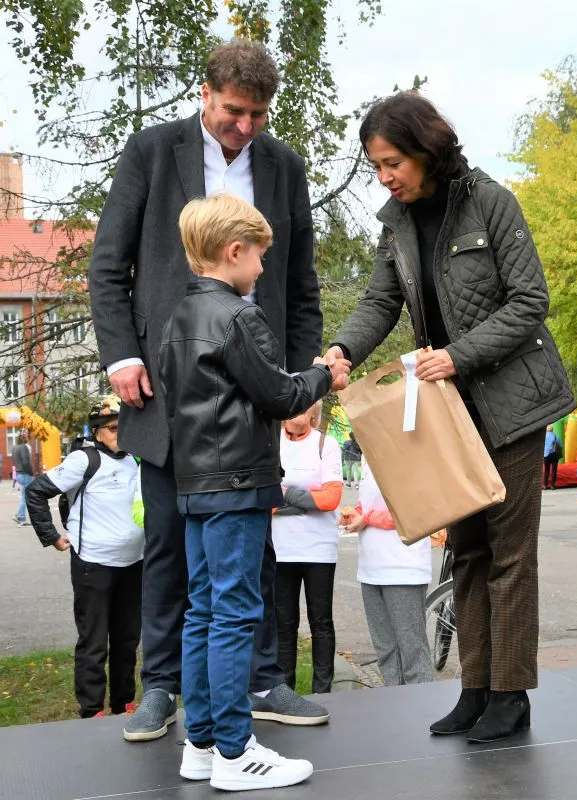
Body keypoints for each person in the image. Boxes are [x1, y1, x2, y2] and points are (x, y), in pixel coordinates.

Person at [88, 39, 333, 742]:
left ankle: (261, 681)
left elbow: (301, 288)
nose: (244, 127)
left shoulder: (283, 166)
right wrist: (120, 356)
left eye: (258, 114)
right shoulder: (151, 151)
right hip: (166, 389)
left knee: (252, 544)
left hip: (253, 392)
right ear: (205, 94)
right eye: (233, 111)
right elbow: (108, 267)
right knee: (169, 545)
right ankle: (162, 687)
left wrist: (302, 380)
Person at [326, 91, 575, 743]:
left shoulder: (490, 201)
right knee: (464, 551)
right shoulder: (397, 223)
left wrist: (457, 355)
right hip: (449, 410)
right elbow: (379, 301)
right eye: (376, 166)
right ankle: (475, 689)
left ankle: (510, 694)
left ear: (424, 149)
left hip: (513, 403)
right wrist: (342, 348)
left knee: (508, 554)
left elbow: (530, 301)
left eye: (392, 163)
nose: (384, 177)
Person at [158, 193, 349, 791]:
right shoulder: (239, 317)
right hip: (238, 487)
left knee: (203, 613)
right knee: (237, 614)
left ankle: (201, 744)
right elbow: (282, 396)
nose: (264, 268)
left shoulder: (178, 318)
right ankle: (236, 752)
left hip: (195, 488)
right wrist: (324, 375)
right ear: (234, 251)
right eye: (260, 256)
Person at [25, 397, 143, 718]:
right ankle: (91, 710)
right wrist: (52, 537)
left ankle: (123, 703)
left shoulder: (136, 459)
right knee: (94, 641)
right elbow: (36, 492)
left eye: (124, 426)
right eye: (113, 428)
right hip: (93, 564)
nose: (120, 433)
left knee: (127, 639)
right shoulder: (84, 460)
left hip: (134, 563)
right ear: (97, 432)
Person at [272, 402, 344, 694]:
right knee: (283, 625)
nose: (300, 409)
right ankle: (284, 692)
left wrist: (286, 495)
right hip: (280, 549)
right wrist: (307, 500)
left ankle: (323, 692)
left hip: (319, 549)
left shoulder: (326, 444)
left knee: (321, 622)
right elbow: (264, 500)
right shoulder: (271, 443)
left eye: (307, 404)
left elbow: (331, 499)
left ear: (315, 410)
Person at [344, 456, 433, 686]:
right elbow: (369, 503)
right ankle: (394, 702)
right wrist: (356, 514)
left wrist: (367, 518)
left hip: (404, 567)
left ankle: (422, 705)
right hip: (370, 567)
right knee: (386, 652)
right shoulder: (367, 454)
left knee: (412, 652)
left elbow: (413, 509)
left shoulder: (408, 450)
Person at [11, 435, 33, 526]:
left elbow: (15, 461)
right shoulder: (24, 447)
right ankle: (21, 518)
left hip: (19, 474)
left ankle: (19, 515)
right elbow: (25, 462)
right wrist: (31, 473)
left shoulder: (14, 448)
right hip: (25, 474)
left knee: (24, 496)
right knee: (25, 497)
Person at [543, 424, 562, 490]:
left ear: (546, 430)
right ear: (552, 429)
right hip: (554, 455)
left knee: (546, 470)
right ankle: (553, 486)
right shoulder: (556, 436)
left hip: (546, 455)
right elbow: (560, 446)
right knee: (554, 471)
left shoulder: (544, 436)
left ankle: (545, 485)